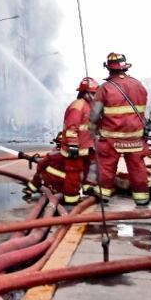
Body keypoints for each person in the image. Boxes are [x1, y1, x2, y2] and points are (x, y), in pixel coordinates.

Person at [89, 52, 150, 206]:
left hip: (111, 138)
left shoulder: (104, 89)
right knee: (137, 168)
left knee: (107, 167)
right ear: (125, 67)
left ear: (109, 69)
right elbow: (143, 110)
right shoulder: (139, 85)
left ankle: (103, 197)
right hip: (136, 137)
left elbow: (95, 114)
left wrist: (93, 130)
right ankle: (142, 198)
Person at [62, 77, 97, 207]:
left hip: (88, 146)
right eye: (92, 93)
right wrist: (72, 145)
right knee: (73, 172)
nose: (95, 96)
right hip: (75, 147)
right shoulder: (78, 105)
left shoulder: (91, 106)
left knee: (91, 168)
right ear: (84, 92)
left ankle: (88, 188)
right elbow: (72, 127)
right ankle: (71, 198)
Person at [23, 133, 66, 198]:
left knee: (40, 173)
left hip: (55, 182)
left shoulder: (53, 153)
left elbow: (41, 164)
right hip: (69, 184)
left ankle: (30, 189)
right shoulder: (75, 155)